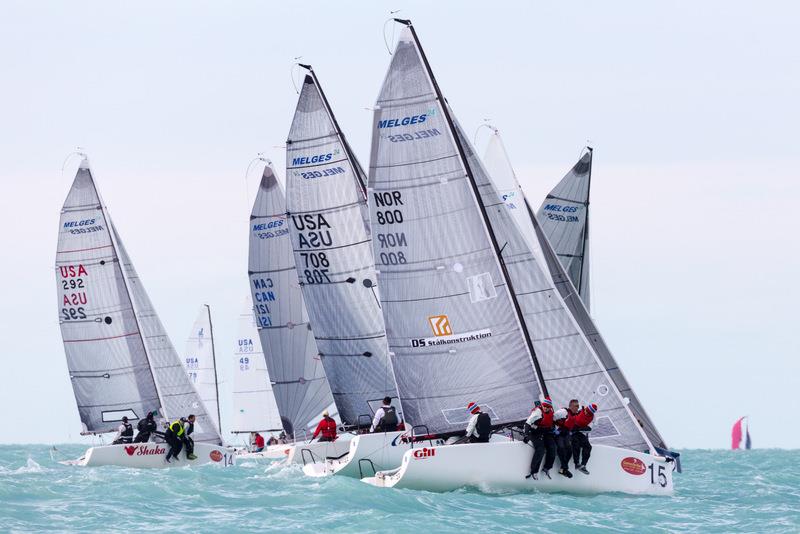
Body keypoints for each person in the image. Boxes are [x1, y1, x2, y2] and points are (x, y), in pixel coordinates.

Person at [524, 397, 557, 480]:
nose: (545, 408)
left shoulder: (551, 412)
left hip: (544, 433)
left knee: (553, 448)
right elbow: (528, 423)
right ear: (542, 405)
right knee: (540, 449)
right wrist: (526, 435)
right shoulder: (538, 412)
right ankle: (534, 471)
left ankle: (547, 468)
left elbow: (552, 423)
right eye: (544, 406)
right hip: (534, 433)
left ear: (550, 407)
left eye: (547, 407)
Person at [569, 402, 596, 474]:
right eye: (586, 411)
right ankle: (577, 463)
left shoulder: (593, 418)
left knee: (588, 447)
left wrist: (578, 429)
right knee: (576, 443)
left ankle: (583, 465)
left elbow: (589, 428)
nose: (587, 413)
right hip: (569, 430)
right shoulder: (579, 409)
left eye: (589, 413)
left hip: (579, 431)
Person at [553, 408, 573, 478]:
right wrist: (555, 431)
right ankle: (565, 468)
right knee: (561, 448)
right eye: (563, 418)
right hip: (557, 435)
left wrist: (566, 430)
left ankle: (562, 469)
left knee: (569, 450)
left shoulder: (565, 416)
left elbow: (567, 427)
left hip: (564, 434)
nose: (565, 419)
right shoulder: (554, 420)